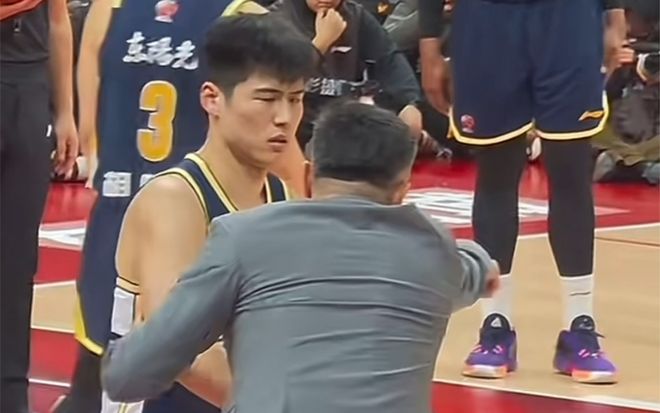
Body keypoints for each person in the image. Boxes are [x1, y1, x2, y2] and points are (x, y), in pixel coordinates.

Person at [99, 100, 500, 413]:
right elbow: (477, 269)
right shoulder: (434, 252)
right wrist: (483, 269)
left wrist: (148, 340)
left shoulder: (243, 237)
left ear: (308, 177)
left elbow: (129, 377)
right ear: (402, 191)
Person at [54, 2, 296, 413]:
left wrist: (89, 139)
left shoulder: (113, 6)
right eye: (272, 98)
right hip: (194, 203)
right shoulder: (244, 13)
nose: (285, 114)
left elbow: (90, 60)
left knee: (99, 370)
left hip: (121, 206)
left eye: (296, 99)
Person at [417, 0, 627, 383]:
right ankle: (495, 326)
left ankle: (580, 327)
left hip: (569, 17)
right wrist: (429, 42)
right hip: (487, 19)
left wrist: (615, 14)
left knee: (571, 170)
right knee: (496, 173)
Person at [0, 1, 78, 412]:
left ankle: (11, 394)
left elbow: (58, 21)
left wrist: (65, 112)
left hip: (29, 88)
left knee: (16, 259)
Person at [270, 0, 423, 152]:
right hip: (296, 124)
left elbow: (389, 59)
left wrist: (408, 103)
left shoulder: (356, 16)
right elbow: (281, 78)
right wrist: (321, 43)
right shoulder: (277, 18)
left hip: (346, 118)